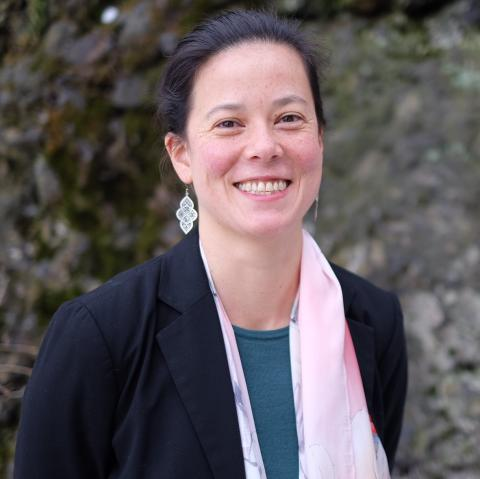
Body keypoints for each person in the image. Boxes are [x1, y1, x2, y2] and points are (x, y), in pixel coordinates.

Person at [14, 9, 407, 479]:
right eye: (229, 124)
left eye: (289, 118)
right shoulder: (100, 336)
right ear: (181, 155)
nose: (264, 146)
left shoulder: (371, 320)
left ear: (319, 139)